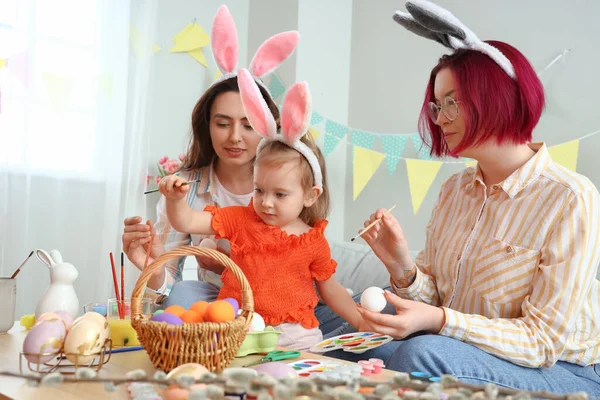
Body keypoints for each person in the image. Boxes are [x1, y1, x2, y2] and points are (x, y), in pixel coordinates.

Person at [324, 1, 600, 395]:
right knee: (351, 335)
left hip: (566, 370)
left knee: (418, 356)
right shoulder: (455, 191)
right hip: (464, 348)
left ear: (497, 95)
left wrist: (437, 321)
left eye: (452, 102)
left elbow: (543, 342)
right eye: (437, 106)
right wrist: (403, 268)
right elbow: (437, 300)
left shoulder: (570, 199)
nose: (439, 118)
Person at [157, 69, 365, 350]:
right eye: (259, 190)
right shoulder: (241, 219)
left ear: (310, 196)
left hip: (296, 334)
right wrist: (174, 200)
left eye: (279, 194)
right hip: (240, 326)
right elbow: (186, 221)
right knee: (187, 301)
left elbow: (330, 290)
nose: (266, 202)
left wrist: (362, 321)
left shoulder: (313, 239)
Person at [121, 5, 297, 307]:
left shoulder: (291, 178)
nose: (235, 137)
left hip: (285, 298)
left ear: (268, 126)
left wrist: (235, 265)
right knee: (183, 295)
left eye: (249, 124)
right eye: (222, 123)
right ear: (207, 125)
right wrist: (155, 267)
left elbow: (305, 263)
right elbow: (168, 292)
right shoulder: (184, 190)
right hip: (221, 306)